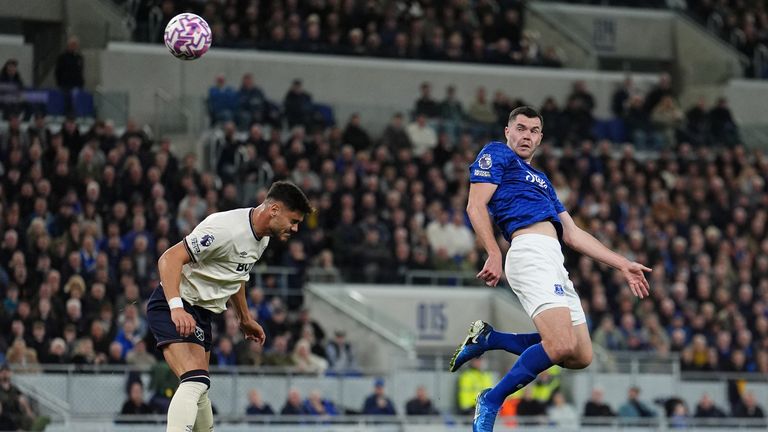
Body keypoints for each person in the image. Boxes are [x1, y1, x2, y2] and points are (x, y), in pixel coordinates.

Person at [449, 106, 651, 432]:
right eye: (521, 128)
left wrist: (622, 263)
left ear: (540, 138)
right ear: (507, 131)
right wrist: (493, 253)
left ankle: (490, 337)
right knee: (559, 345)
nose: (526, 135)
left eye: (533, 131)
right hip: (528, 252)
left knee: (580, 354)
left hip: (555, 260)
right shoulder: (497, 154)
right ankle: (491, 399)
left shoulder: (543, 181)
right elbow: (475, 205)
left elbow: (572, 234)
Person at [147, 181, 313, 432]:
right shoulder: (226, 229)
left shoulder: (262, 239)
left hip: (201, 313)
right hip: (176, 304)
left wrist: (244, 318)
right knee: (194, 381)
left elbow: (236, 276)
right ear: (275, 210)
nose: (296, 228)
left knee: (200, 388)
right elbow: (169, 258)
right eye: (293, 220)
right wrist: (176, 307)